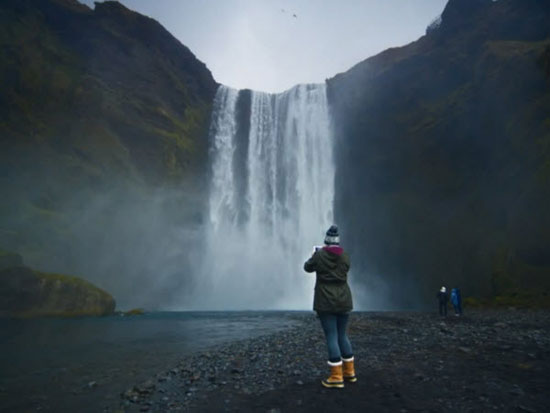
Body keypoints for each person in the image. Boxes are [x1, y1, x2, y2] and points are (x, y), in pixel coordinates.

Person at [303, 225, 355, 389]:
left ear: (326, 241)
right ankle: (350, 373)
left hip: (326, 301)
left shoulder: (320, 256)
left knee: (331, 336)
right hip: (344, 300)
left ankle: (336, 376)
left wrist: (314, 256)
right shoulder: (345, 256)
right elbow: (345, 268)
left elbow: (307, 267)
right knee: (342, 335)